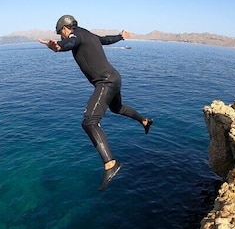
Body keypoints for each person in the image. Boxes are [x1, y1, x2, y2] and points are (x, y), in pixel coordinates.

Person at [39, 15, 153, 190]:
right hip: (115, 78)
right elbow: (105, 40)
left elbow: (69, 43)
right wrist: (121, 36)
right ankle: (144, 121)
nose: (61, 36)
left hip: (105, 81)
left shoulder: (74, 35)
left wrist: (58, 46)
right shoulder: (88, 34)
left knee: (89, 121)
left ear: (64, 28)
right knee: (117, 108)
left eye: (60, 33)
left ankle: (110, 164)